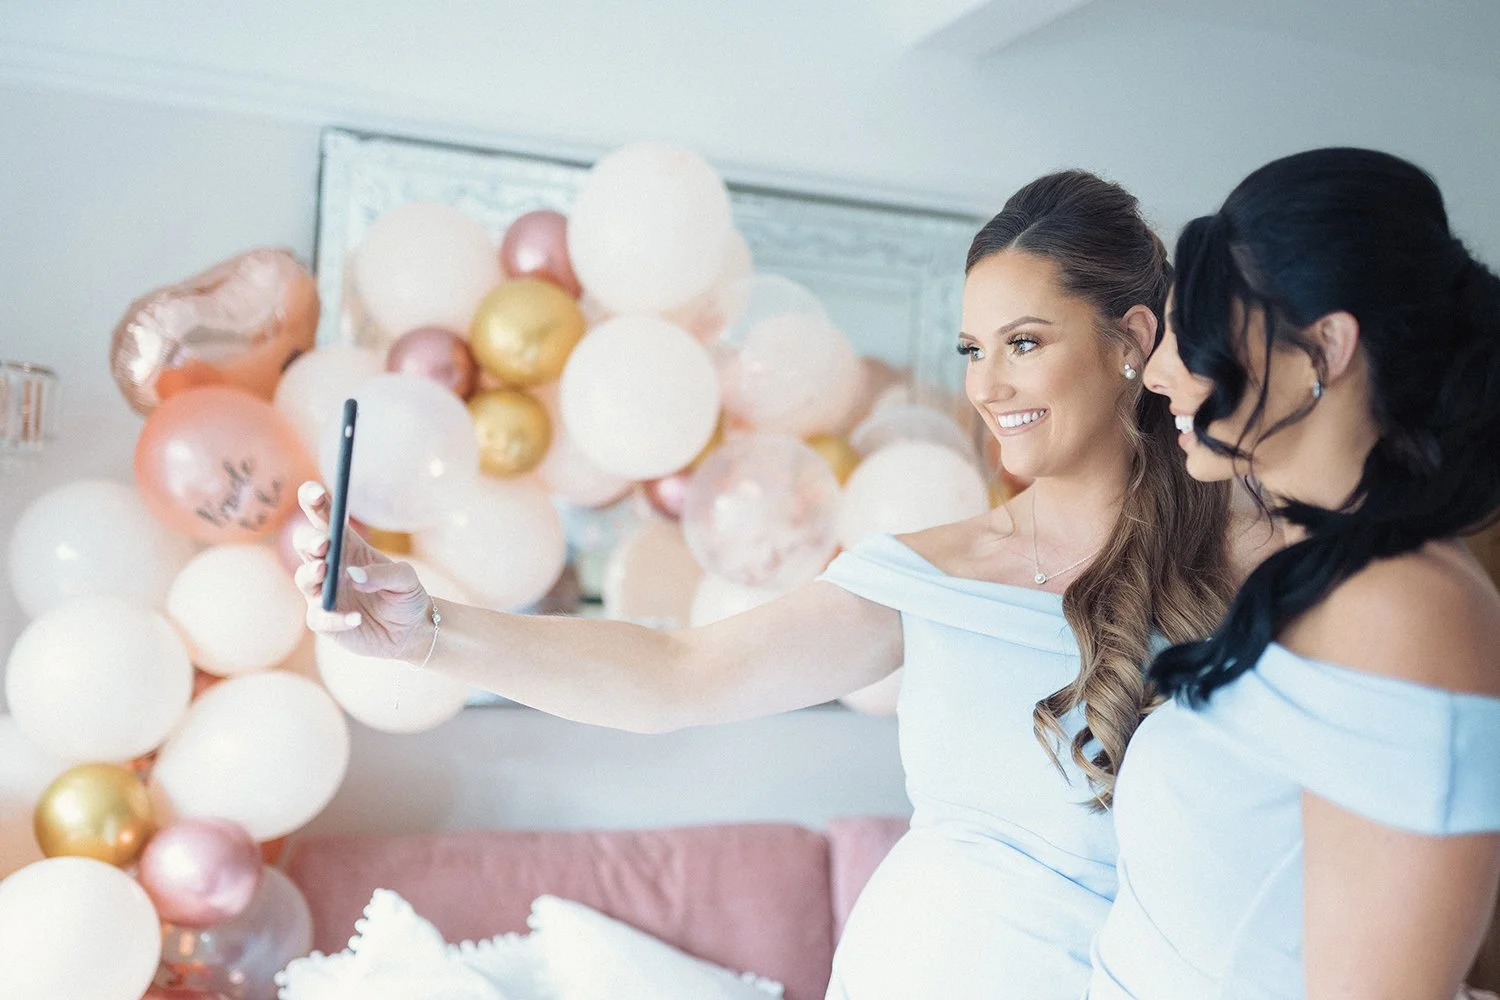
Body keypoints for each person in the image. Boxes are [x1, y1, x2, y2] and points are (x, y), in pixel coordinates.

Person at [295, 171, 1249, 999]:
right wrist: (428, 631)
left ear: (1131, 338)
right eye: (972, 350)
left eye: (1025, 343)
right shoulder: (931, 573)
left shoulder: (1252, 562)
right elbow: (677, 675)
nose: (988, 387)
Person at [1091, 147, 1500, 999]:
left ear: (1326, 349)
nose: (1157, 372)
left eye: (1196, 331)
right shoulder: (1329, 575)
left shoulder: (1403, 608)